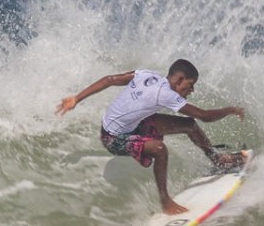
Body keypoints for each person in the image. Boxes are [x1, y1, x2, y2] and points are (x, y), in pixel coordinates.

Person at [56, 59, 246, 215]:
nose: (192, 90)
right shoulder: (165, 95)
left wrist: (77, 98)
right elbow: (204, 116)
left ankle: (217, 159)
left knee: (189, 125)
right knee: (159, 150)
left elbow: (110, 79)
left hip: (129, 126)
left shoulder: (149, 74)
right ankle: (165, 202)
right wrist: (230, 110)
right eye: (190, 85)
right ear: (179, 80)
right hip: (113, 138)